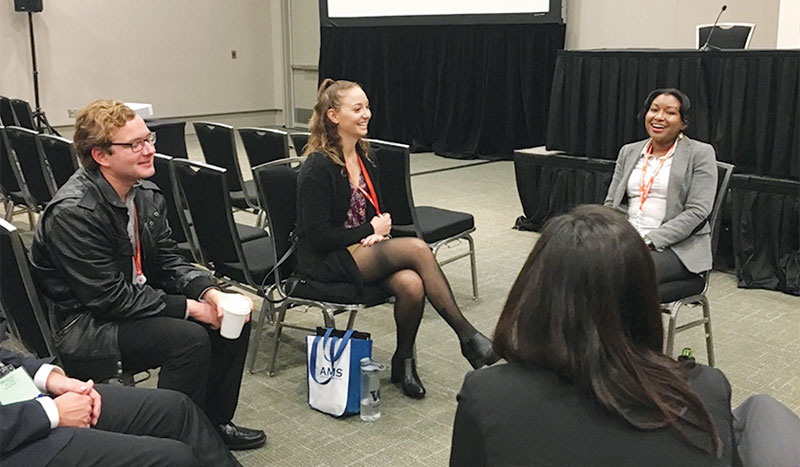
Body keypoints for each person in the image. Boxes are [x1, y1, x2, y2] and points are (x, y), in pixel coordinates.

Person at [450, 205, 799, 467]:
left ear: (532, 293)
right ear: (645, 298)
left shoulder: (486, 395)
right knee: (761, 410)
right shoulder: (704, 389)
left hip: (667, 243)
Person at [30, 100, 265, 450]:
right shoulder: (74, 213)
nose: (150, 150)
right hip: (87, 324)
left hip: (132, 303)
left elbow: (170, 261)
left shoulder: (145, 195)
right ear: (101, 156)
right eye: (135, 144)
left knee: (234, 318)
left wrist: (210, 294)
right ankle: (172, 438)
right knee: (188, 339)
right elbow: (109, 298)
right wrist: (189, 308)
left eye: (149, 139)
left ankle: (211, 425)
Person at [296, 79, 498, 399]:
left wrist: (378, 235)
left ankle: (403, 360)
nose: (367, 114)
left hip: (362, 248)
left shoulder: (366, 157)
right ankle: (467, 336)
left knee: (411, 284)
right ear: (333, 116)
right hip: (328, 259)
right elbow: (319, 237)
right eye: (357, 109)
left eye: (367, 107)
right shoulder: (318, 166)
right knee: (418, 249)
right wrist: (369, 232)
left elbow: (374, 212)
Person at [0, 346, 240, 466]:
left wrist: (53, 379)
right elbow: (105, 294)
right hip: (12, 437)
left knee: (176, 409)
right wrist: (51, 413)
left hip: (17, 396)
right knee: (174, 458)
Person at [604, 88, 717, 284]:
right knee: (577, 263)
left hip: (676, 248)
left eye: (670, 112)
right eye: (654, 110)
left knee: (623, 273)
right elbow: (611, 203)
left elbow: (698, 212)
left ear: (684, 122)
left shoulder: (700, 153)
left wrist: (649, 240)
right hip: (626, 239)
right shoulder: (628, 151)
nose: (659, 117)